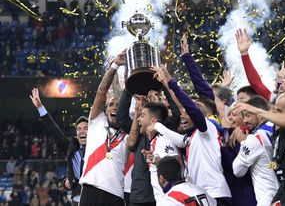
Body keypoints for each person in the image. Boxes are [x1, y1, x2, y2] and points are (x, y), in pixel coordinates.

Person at [151, 67, 232, 205]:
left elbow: (190, 108)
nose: (183, 115)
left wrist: (171, 82)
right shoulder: (195, 135)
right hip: (203, 193)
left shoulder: (206, 129)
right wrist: (157, 126)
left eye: (187, 113)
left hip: (215, 193)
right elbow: (180, 140)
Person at [79, 51, 128, 206]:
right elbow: (102, 91)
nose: (114, 108)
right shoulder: (96, 121)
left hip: (116, 194)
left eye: (119, 106)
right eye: (111, 105)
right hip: (91, 189)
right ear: (105, 110)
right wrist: (115, 65)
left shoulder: (128, 132)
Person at [29, 88, 87, 206]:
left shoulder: (98, 147)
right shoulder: (71, 147)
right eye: (79, 129)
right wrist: (40, 107)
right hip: (77, 199)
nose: (82, 131)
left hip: (95, 197)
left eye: (86, 128)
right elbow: (54, 130)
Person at [232, 96, 279, 206]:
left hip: (267, 199)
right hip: (281, 195)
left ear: (260, 115)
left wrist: (243, 142)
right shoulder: (275, 128)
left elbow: (237, 170)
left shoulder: (255, 138)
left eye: (248, 116)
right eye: (243, 116)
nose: (245, 120)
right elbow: (272, 163)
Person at [133, 101, 180, 202]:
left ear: (153, 120)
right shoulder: (154, 141)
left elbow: (177, 164)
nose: (138, 119)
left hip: (169, 200)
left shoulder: (162, 140)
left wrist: (155, 159)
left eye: (142, 115)